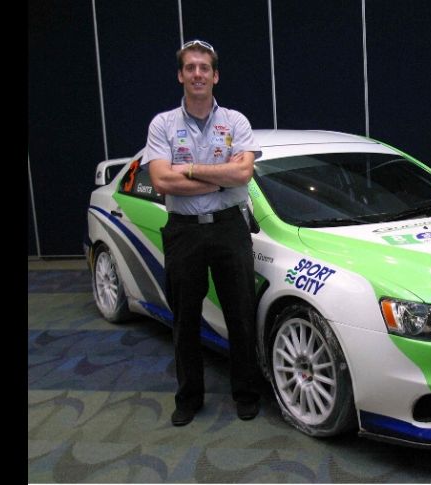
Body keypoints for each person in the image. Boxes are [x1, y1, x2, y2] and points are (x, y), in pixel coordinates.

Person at [142, 39, 262, 426]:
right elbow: (161, 181)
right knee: (185, 317)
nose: (197, 74)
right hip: (184, 232)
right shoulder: (162, 124)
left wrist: (189, 170)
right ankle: (189, 397)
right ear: (181, 75)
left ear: (215, 76)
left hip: (230, 229)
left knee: (240, 315)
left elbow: (243, 174)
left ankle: (245, 393)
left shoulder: (236, 122)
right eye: (190, 67)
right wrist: (219, 178)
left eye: (204, 68)